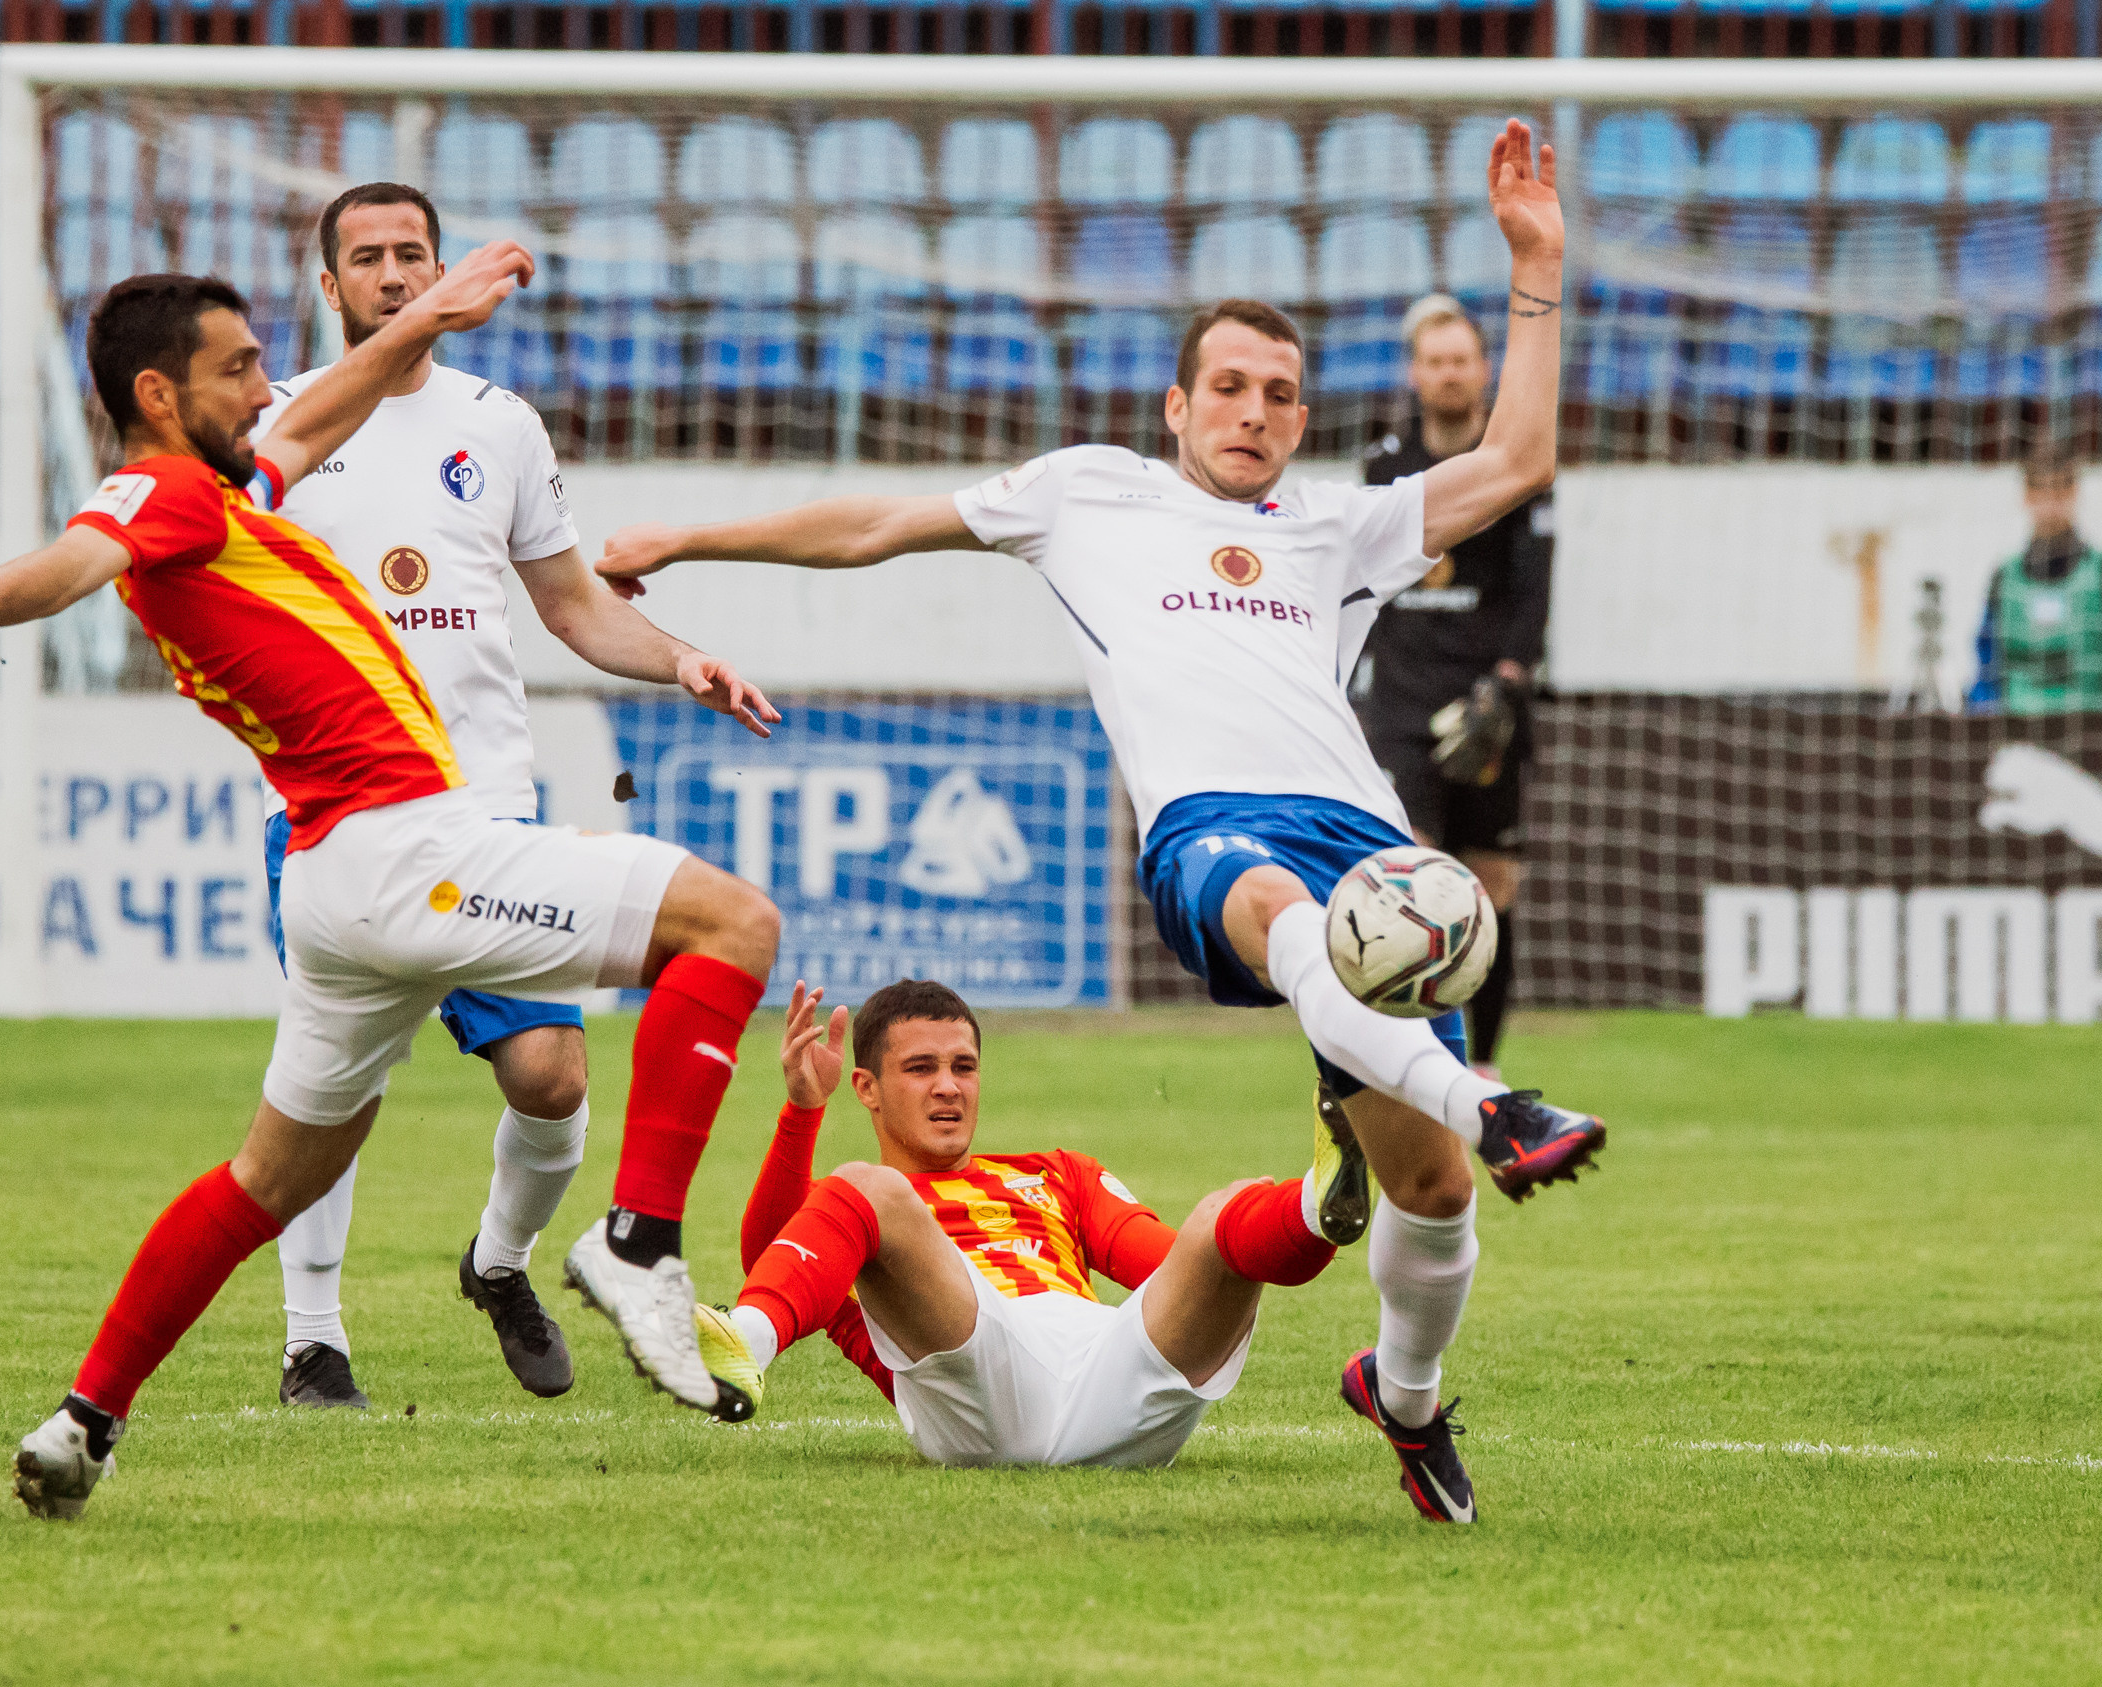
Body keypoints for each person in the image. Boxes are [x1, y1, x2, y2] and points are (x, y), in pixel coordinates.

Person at [592, 121, 1600, 1521]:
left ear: (1303, 423)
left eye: (1282, 394)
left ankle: (1409, 1395)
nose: (1255, 410)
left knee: (1430, 1194)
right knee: (1280, 919)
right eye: (1229, 386)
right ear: (1176, 406)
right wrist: (685, 540)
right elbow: (874, 526)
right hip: (1211, 825)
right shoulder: (1088, 494)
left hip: (1376, 847)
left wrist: (1537, 264)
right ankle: (1495, 1096)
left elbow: (1523, 453)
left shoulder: (1337, 529)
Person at [0, 249, 784, 1520]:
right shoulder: (161, 492)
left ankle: (82, 1423)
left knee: (260, 1185)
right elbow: (80, 550)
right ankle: (637, 1244)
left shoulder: (226, 493)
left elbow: (333, 404)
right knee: (733, 923)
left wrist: (429, 320)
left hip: (341, 881)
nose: (268, 387)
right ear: (162, 395)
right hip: (401, 852)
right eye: (238, 372)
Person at [252, 183, 759, 1410]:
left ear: (440, 269)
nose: (390, 273)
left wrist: (681, 655)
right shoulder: (279, 430)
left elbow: (575, 606)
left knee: (551, 1079)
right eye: (365, 259)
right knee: (336, 1098)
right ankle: (312, 1343)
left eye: (410, 254)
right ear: (329, 289)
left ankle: (499, 1262)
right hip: (339, 820)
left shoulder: (501, 425)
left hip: (485, 817)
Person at [694, 980, 1347, 1481]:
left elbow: (1169, 1262)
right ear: (865, 1087)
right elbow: (771, 1252)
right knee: (872, 1184)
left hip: (1107, 1376)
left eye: (964, 1066)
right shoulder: (857, 1209)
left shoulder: (1059, 1173)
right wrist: (803, 1112)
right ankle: (746, 1347)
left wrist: (1225, 1252)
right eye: (921, 1068)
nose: (948, 1087)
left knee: (1223, 1213)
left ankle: (1323, 1200)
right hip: (974, 1392)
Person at [1356, 293, 1555, 1075]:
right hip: (1404, 704)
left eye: (1460, 360)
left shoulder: (1516, 461)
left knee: (1491, 884)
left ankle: (1485, 1067)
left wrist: (1509, 680)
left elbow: (1536, 585)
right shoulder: (1383, 465)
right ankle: (1419, 1064)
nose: (1447, 374)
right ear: (1415, 373)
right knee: (1414, 879)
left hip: (1487, 704)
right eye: (1433, 362)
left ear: (1485, 371)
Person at [1968, 446, 2102, 714]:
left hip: (2089, 732)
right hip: (2017, 731)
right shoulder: (2005, 578)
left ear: (2074, 493)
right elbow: (1987, 670)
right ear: (2027, 496)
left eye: (2059, 489)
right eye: (2042, 490)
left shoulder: (2096, 575)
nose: (2050, 503)